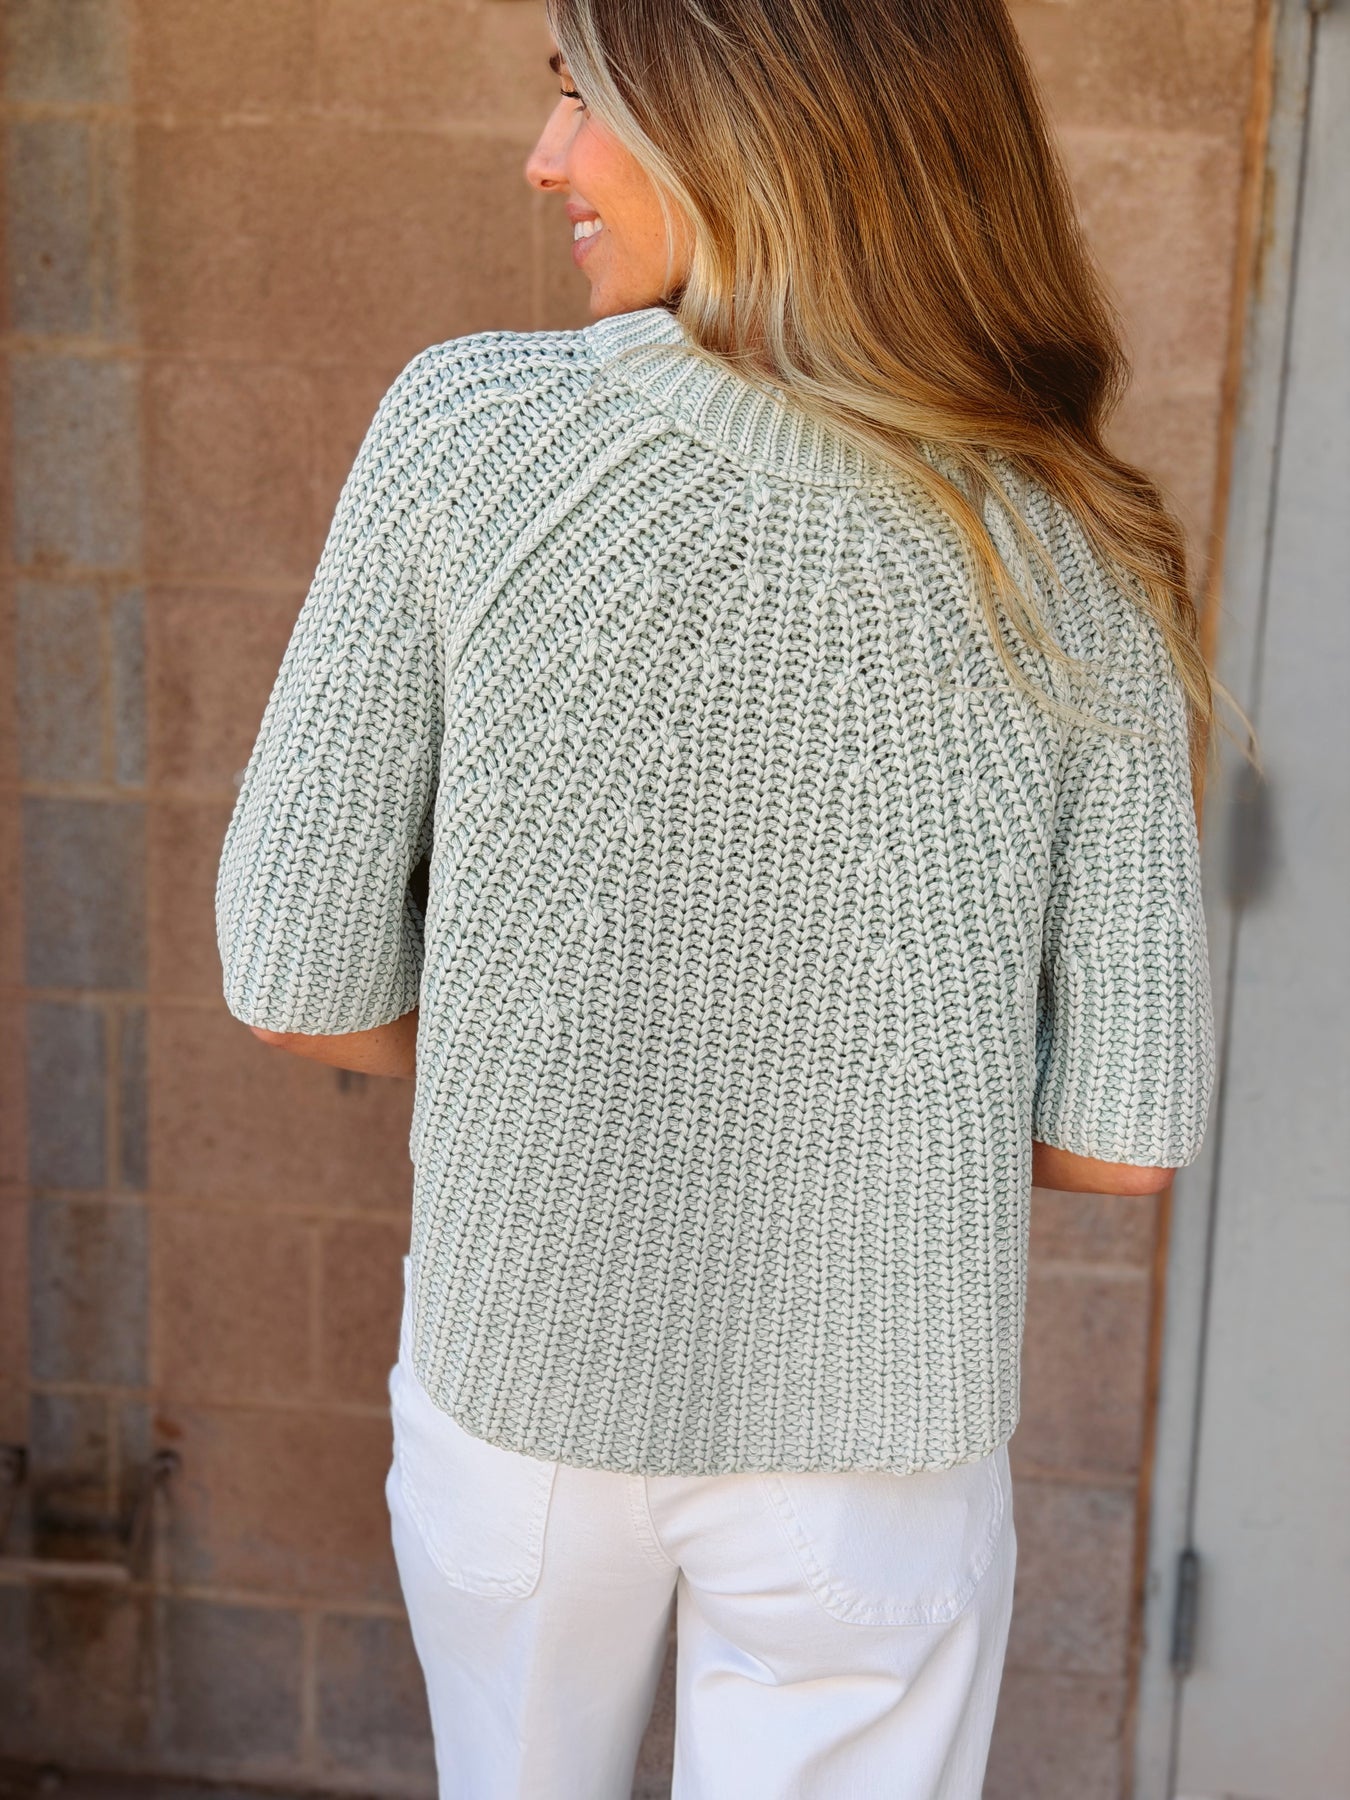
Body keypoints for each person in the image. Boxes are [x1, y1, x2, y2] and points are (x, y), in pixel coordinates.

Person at [215, 1, 1224, 1793]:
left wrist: (574, 1062)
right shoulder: (1077, 535)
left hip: (522, 1392)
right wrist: (839, 1109)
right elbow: (1123, 1136)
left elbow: (296, 976)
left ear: (757, 129)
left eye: (582, 101)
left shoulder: (468, 433)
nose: (544, 161)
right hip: (871, 1449)